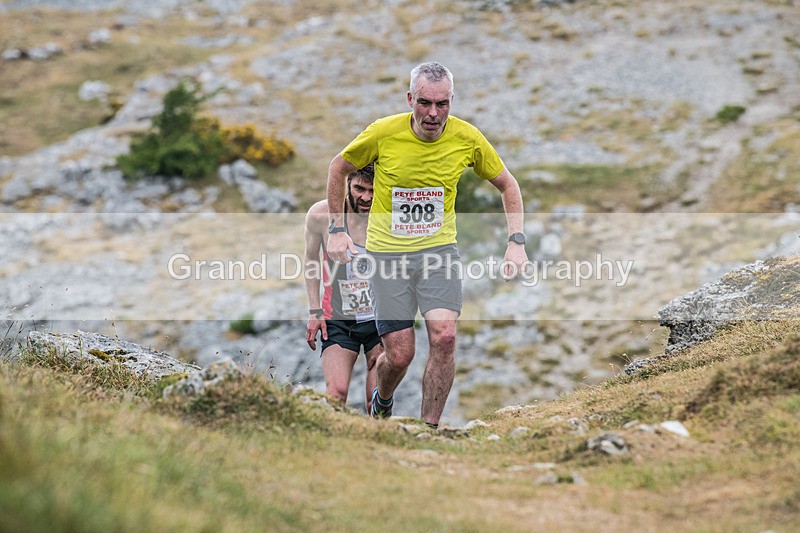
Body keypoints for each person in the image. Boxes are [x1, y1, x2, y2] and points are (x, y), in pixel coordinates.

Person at [325, 62, 528, 427]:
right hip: (388, 256)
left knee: (445, 337)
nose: (433, 114)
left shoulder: (468, 138)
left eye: (442, 104)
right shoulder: (383, 133)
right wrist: (337, 229)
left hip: (438, 252)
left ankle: (428, 430)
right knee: (400, 356)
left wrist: (516, 242)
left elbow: (508, 186)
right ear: (410, 100)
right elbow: (338, 168)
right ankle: (383, 398)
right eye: (424, 103)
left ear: (452, 101)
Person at [305, 163, 382, 413]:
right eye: (359, 188)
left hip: (381, 322)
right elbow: (312, 261)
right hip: (338, 319)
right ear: (347, 183)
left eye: (373, 190)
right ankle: (331, 449)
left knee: (376, 401)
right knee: (335, 395)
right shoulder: (321, 214)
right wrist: (314, 310)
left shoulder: (390, 216)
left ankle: (380, 448)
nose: (366, 197)